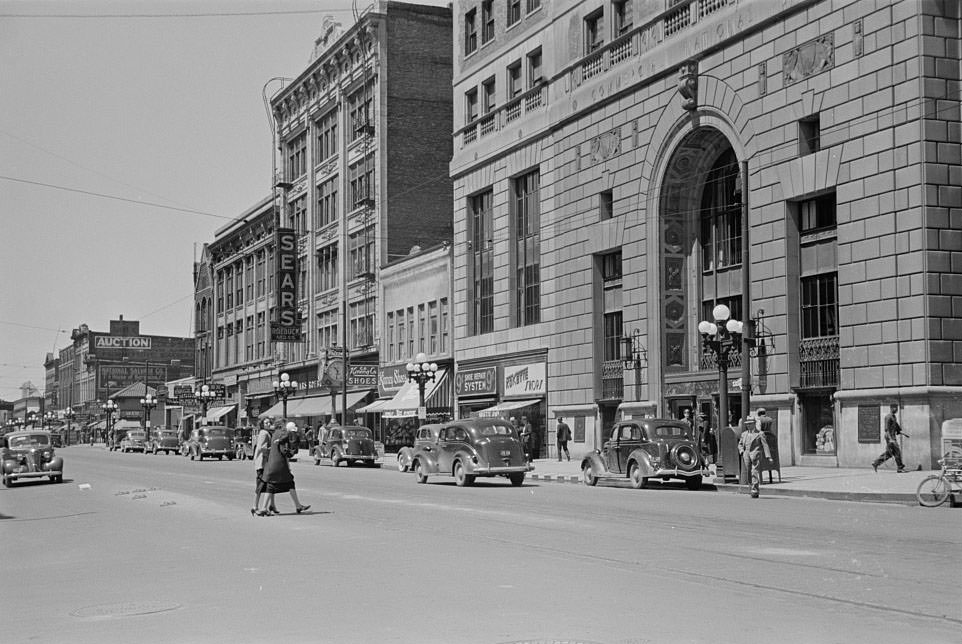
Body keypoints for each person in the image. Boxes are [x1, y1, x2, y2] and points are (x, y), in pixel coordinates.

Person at [260, 421, 310, 515]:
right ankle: (298, 506)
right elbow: (284, 450)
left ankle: (264, 508)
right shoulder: (283, 434)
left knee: (271, 485)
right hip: (280, 464)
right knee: (290, 483)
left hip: (272, 463)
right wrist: (290, 453)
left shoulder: (275, 433)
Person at [737, 418, 771, 498]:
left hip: (756, 454)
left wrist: (769, 457)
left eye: (750, 424)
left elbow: (765, 445)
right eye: (747, 424)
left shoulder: (760, 434)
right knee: (748, 472)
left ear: (754, 424)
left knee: (754, 471)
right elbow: (740, 444)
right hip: (746, 454)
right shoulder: (744, 434)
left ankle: (755, 489)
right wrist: (741, 451)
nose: (748, 425)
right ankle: (751, 487)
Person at [872, 403, 906, 473]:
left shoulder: (894, 417)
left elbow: (896, 426)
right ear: (891, 408)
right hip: (889, 437)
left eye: (897, 408)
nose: (896, 409)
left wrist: (901, 432)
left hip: (893, 437)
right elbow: (886, 430)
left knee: (890, 453)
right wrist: (891, 439)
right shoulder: (888, 417)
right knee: (897, 452)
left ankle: (876, 463)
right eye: (895, 408)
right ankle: (900, 467)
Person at [251, 418, 274, 516]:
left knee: (264, 486)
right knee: (262, 486)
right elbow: (261, 447)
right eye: (266, 422)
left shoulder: (264, 432)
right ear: (262, 424)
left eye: (269, 422)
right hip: (262, 463)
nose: (268, 424)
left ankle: (262, 506)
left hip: (261, 463)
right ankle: (256, 506)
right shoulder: (264, 433)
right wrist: (272, 448)